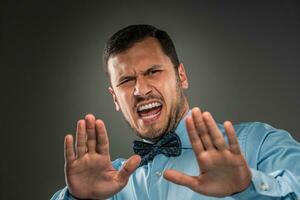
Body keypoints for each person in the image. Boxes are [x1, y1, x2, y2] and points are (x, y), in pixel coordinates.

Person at [51, 24, 300, 200]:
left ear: (181, 76)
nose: (140, 89)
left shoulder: (258, 143)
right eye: (126, 80)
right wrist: (77, 198)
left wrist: (247, 186)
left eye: (152, 72)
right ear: (115, 98)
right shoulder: (108, 184)